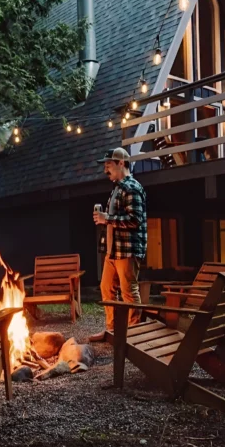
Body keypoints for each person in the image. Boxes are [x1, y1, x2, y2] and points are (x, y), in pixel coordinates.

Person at [89, 147, 147, 343]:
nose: (106, 170)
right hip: (113, 251)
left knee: (129, 291)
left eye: (109, 165)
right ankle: (112, 331)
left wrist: (108, 218)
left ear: (121, 163)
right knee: (107, 288)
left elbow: (135, 219)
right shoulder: (117, 188)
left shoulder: (132, 187)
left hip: (128, 250)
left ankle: (135, 335)